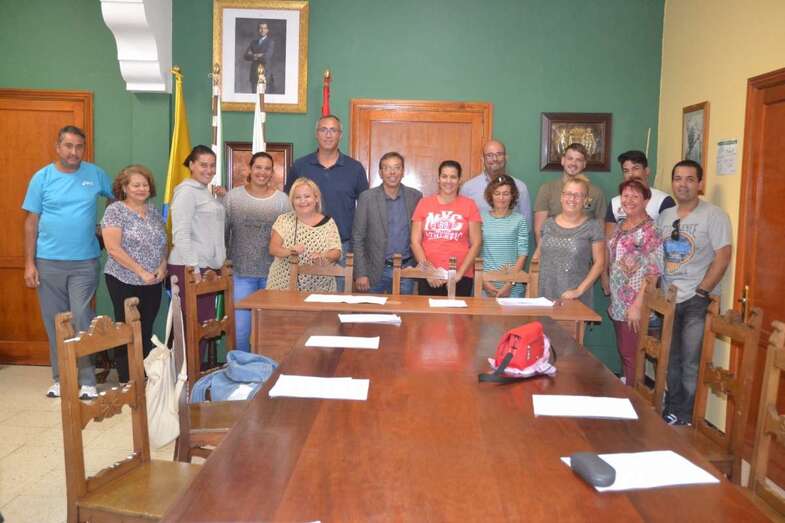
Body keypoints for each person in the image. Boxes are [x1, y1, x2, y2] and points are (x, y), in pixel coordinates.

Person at [22, 125, 112, 399]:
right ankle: (61, 378)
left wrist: (103, 228)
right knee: (56, 321)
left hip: (84, 262)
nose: (74, 152)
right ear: (58, 147)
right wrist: (29, 263)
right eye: (69, 146)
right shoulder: (42, 178)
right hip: (48, 262)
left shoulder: (95, 174)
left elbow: (115, 200)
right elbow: (31, 222)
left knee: (83, 318)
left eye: (79, 147)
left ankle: (87, 380)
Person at [657, 160, 731, 426]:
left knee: (690, 361)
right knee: (670, 358)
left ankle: (686, 415)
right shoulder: (666, 216)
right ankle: (673, 409)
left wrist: (703, 292)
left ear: (700, 184)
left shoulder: (714, 215)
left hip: (695, 300)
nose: (683, 184)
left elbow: (723, 257)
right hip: (669, 298)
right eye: (678, 178)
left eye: (690, 179)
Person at [285, 115, 368, 290]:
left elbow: (365, 208)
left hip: (342, 247)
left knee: (338, 306)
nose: (328, 135)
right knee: (303, 304)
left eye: (333, 130)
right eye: (323, 130)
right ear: (317, 134)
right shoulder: (300, 166)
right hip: (304, 246)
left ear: (340, 135)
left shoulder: (355, 168)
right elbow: (288, 203)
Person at [101, 165, 167, 383]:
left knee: (146, 327)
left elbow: (163, 244)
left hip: (153, 282)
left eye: (145, 184)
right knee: (126, 328)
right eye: (136, 185)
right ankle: (127, 378)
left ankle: (143, 374)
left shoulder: (154, 212)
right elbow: (113, 248)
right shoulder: (115, 211)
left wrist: (162, 266)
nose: (141, 189)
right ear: (124, 187)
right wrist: (140, 271)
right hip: (123, 279)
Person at [224, 152, 290, 351]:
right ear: (250, 169)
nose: (262, 172)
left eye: (267, 168)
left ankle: (267, 371)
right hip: (242, 274)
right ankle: (242, 371)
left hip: (274, 275)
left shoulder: (282, 200)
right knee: (241, 330)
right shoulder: (233, 197)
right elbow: (223, 233)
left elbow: (288, 235)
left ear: (272, 173)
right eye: (258, 167)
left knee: (272, 330)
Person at [168, 145, 226, 360]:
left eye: (212, 165)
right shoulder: (186, 191)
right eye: (203, 164)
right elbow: (180, 234)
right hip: (189, 268)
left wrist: (220, 201)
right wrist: (194, 269)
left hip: (206, 267)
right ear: (191, 165)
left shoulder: (203, 192)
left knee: (202, 326)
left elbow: (206, 227)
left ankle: (193, 377)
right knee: (188, 326)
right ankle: (181, 380)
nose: (209, 170)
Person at [606, 179, 663, 387]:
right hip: (618, 302)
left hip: (635, 305)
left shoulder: (651, 230)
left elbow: (654, 272)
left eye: (635, 196)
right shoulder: (621, 225)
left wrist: (638, 305)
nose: (629, 200)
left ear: (646, 200)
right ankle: (629, 395)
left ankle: (634, 402)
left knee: (632, 356)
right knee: (625, 352)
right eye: (626, 196)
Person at [602, 150, 675, 295]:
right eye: (626, 170)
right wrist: (604, 274)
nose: (631, 174)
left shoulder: (663, 201)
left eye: (636, 168)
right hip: (619, 285)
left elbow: (667, 244)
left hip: (647, 285)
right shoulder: (616, 202)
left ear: (647, 171)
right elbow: (608, 243)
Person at [352, 152, 422, 294]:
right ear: (380, 172)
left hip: (406, 271)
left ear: (403, 172)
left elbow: (420, 235)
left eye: (397, 168)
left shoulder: (415, 196)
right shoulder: (367, 198)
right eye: (387, 168)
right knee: (370, 315)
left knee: (403, 314)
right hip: (374, 271)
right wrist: (360, 273)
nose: (392, 172)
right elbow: (357, 237)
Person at [411, 160, 482, 297]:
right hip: (429, 277)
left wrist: (459, 274)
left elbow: (477, 243)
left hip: (460, 277)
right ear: (438, 179)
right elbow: (415, 242)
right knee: (428, 318)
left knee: (458, 318)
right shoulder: (424, 203)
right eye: (444, 176)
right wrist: (428, 272)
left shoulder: (470, 205)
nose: (448, 181)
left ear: (459, 180)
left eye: (453, 177)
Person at [534, 176, 605, 307]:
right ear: (561, 197)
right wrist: (530, 290)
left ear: (585, 200)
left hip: (574, 299)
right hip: (544, 297)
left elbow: (599, 263)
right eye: (568, 194)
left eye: (578, 195)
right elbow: (537, 256)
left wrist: (579, 290)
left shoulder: (593, 227)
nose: (572, 199)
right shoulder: (548, 224)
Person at [267, 177, 342, 291]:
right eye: (298, 197)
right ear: (292, 200)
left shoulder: (329, 223)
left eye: (307, 196)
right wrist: (291, 251)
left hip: (320, 289)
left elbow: (336, 252)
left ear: (316, 198)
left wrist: (323, 256)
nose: (303, 201)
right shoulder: (284, 220)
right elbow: (273, 249)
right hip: (282, 286)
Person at [533, 143, 606, 244]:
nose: (573, 163)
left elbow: (600, 232)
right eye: (570, 158)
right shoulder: (547, 189)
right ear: (563, 160)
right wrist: (541, 255)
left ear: (584, 164)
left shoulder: (596, 193)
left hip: (584, 255)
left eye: (579, 160)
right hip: (553, 252)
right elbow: (539, 230)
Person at [461, 140, 532, 226]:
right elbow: (463, 224)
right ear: (483, 159)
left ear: (506, 157)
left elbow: (526, 225)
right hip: (479, 239)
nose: (495, 159)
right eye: (489, 155)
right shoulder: (468, 188)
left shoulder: (520, 187)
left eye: (499, 154)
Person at [479, 175, 529, 297]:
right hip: (485, 287)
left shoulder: (520, 220)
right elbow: (475, 252)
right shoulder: (480, 218)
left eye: (506, 193)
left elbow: (522, 255)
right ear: (491, 195)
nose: (501, 198)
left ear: (512, 196)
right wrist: (483, 282)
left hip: (512, 288)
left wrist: (510, 284)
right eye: (497, 193)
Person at [244, 22, 275, 92]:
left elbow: (267, 56)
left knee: (264, 99)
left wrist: (253, 55)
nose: (262, 30)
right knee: (254, 98)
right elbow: (246, 56)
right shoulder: (253, 42)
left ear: (267, 30)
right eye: (260, 28)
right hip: (254, 75)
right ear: (258, 30)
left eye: (264, 28)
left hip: (266, 75)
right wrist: (258, 55)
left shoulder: (270, 42)